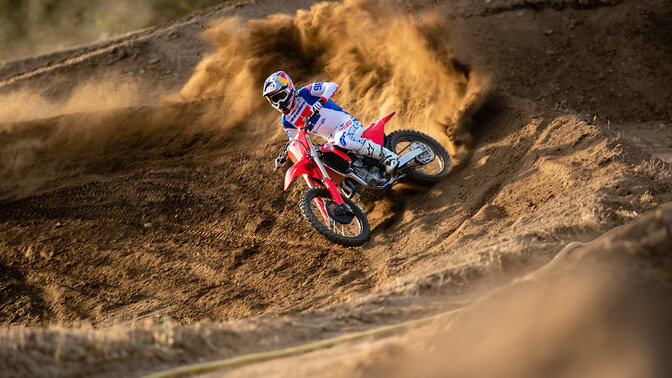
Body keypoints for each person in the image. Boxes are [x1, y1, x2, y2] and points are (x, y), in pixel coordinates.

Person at [263, 71, 399, 174]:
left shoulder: (305, 93)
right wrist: (285, 155)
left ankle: (387, 156)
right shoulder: (286, 121)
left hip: (347, 124)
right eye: (275, 99)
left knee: (343, 139)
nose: (279, 102)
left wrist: (321, 100)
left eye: (280, 96)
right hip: (332, 139)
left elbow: (332, 85)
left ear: (289, 89)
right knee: (326, 162)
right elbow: (295, 141)